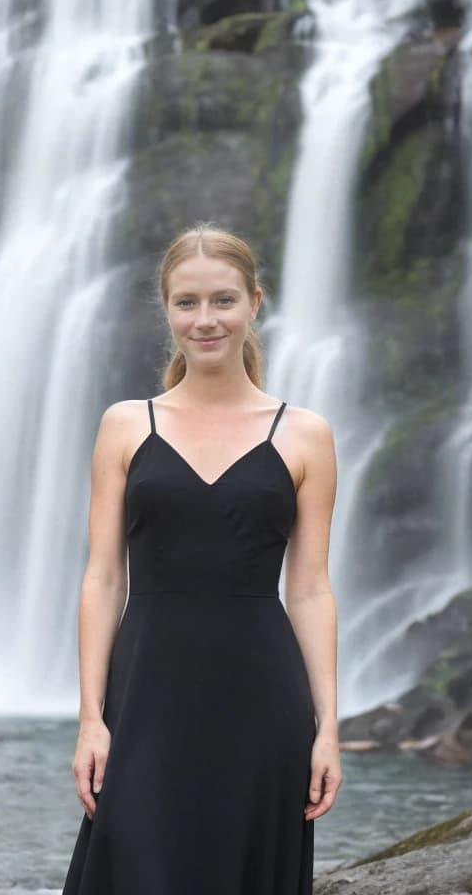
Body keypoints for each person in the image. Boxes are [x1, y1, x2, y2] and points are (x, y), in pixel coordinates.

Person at [60, 222, 342, 895]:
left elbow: (309, 590)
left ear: (254, 303)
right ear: (166, 309)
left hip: (263, 704)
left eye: (223, 300)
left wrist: (328, 728)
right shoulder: (127, 425)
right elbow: (103, 579)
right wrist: (91, 719)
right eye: (187, 302)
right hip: (146, 698)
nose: (206, 319)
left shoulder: (305, 435)